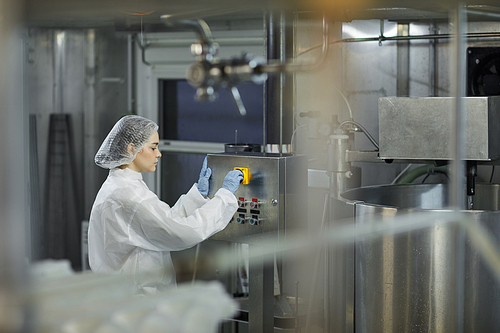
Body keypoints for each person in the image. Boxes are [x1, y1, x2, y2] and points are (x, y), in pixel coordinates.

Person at [88, 115, 243, 294]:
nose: (159, 154)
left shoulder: (120, 186)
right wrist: (224, 198)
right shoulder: (130, 196)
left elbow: (161, 223)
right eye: (153, 147)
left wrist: (198, 196)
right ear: (132, 149)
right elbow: (181, 233)